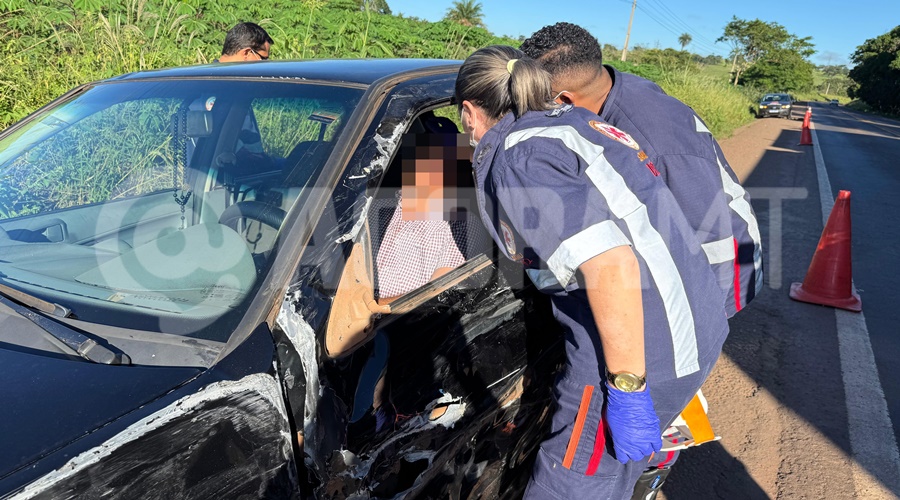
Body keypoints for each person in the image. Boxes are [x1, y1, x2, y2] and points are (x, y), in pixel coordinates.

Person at [455, 45, 730, 500]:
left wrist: (627, 391)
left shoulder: (519, 160)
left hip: (638, 351)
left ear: (469, 111)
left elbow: (610, 265)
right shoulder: (576, 123)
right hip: (692, 325)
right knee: (612, 479)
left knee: (570, 486)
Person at [520, 22, 762, 319]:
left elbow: (708, 233)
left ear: (565, 99)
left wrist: (693, 317)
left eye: (538, 102)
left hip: (720, 267)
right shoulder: (609, 88)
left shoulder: (657, 144)